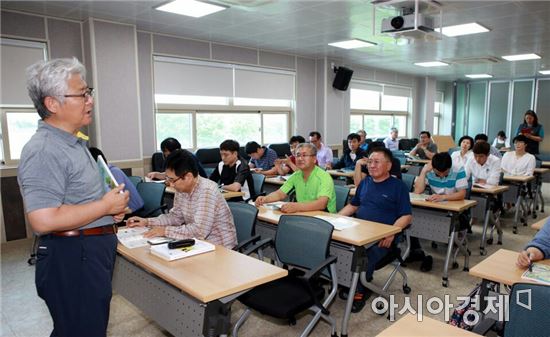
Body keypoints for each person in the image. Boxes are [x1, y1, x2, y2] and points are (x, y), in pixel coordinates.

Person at [18, 58, 129, 337]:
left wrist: (108, 211)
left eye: (88, 92)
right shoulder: (44, 149)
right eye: (82, 94)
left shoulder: (74, 143)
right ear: (52, 104)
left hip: (86, 253)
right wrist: (104, 205)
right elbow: (43, 219)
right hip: (73, 256)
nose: (90, 100)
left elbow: (79, 200)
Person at [339, 147, 412, 313]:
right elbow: (353, 205)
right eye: (369, 162)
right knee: (340, 248)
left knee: (363, 257)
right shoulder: (365, 182)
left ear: (388, 165)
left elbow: (407, 217)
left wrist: (391, 232)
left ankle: (361, 288)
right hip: (360, 232)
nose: (371, 165)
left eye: (376, 162)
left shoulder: (398, 186)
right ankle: (348, 281)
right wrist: (335, 219)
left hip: (384, 238)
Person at [127, 150, 237, 249]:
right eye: (167, 178)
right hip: (199, 244)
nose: (170, 184)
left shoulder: (206, 191)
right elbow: (175, 217)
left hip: (220, 248)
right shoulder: (182, 189)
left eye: (172, 180)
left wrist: (165, 231)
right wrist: (147, 222)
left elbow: (199, 231)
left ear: (188, 177)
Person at [255, 143, 337, 213]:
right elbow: (280, 194)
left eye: (304, 155)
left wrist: (297, 206)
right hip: (304, 213)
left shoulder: (324, 177)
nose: (300, 158)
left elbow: (321, 204)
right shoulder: (296, 175)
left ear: (314, 159)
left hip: (325, 217)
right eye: (298, 155)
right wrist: (265, 199)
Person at [89, 147, 144, 213]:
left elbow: (116, 197)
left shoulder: (114, 172)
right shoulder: (101, 173)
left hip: (134, 211)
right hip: (120, 210)